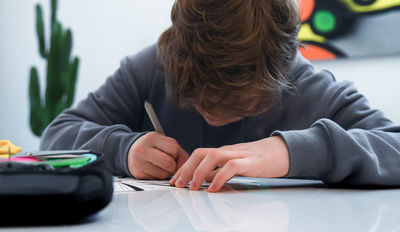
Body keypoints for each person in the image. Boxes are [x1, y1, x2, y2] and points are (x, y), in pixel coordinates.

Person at [40, 0, 400, 192]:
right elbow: (56, 134)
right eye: (195, 97)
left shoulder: (308, 87)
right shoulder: (153, 66)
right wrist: (125, 148)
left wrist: (289, 152)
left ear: (281, 72)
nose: (211, 113)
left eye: (234, 101)